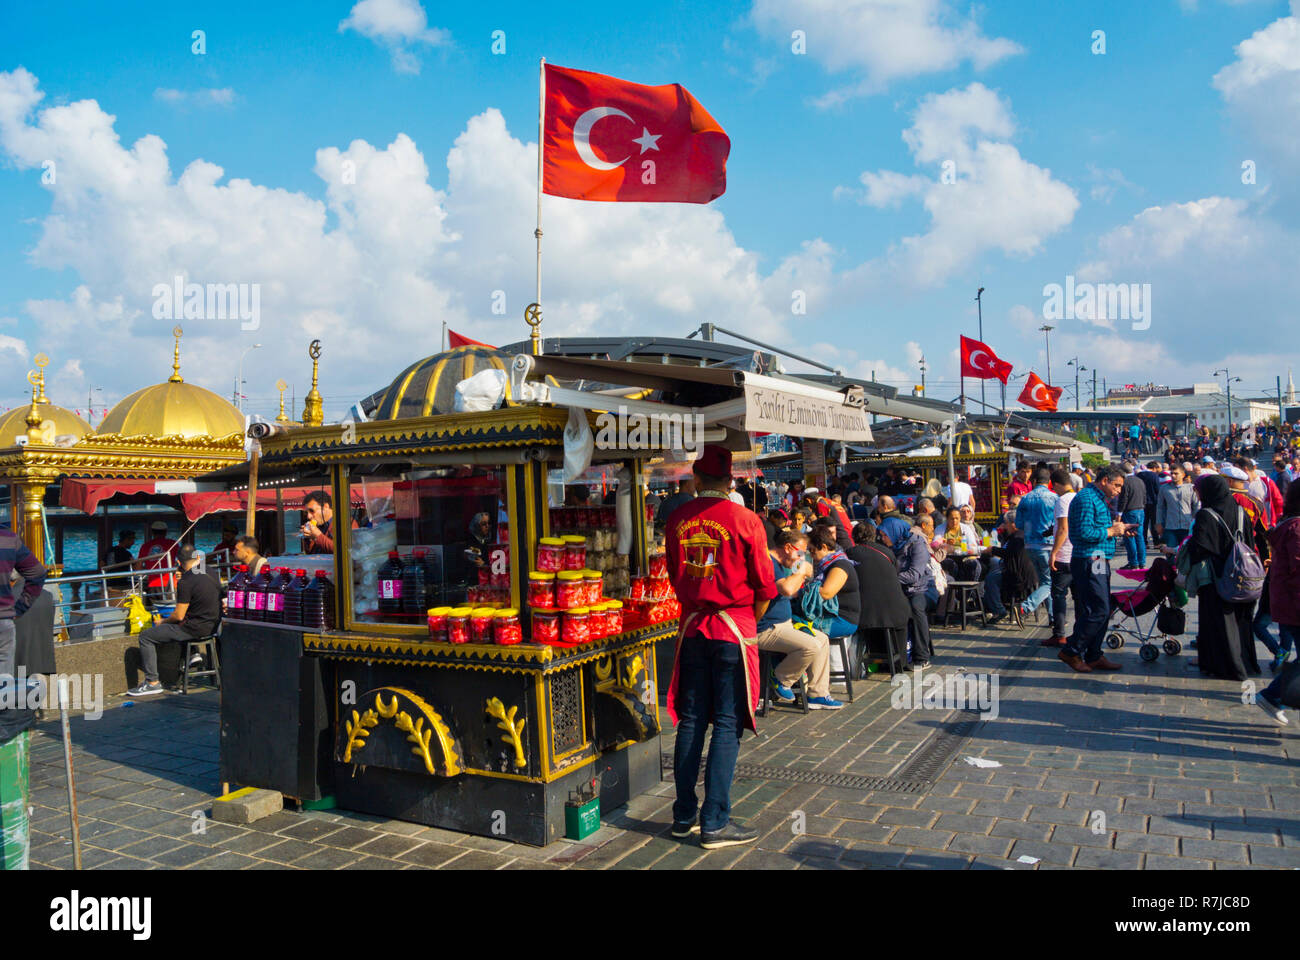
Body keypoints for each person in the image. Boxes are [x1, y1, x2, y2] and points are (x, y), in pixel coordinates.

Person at [664, 444, 776, 849]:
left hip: (693, 628)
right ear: (730, 481)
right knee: (727, 723)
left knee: (691, 720)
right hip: (733, 628)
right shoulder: (746, 520)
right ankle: (714, 822)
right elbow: (765, 584)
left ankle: (682, 815)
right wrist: (749, 618)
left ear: (696, 479)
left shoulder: (677, 519)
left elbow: (677, 577)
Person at [1188, 475, 1266, 682]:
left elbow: (1200, 548)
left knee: (1219, 623)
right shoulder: (1241, 511)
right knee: (1241, 621)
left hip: (1217, 578)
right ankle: (1245, 662)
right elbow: (1250, 541)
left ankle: (1223, 665)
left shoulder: (1206, 514)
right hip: (1241, 575)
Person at [755, 529, 842, 710]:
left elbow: (791, 590)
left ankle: (817, 694)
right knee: (810, 645)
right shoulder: (769, 563)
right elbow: (786, 589)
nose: (801, 558)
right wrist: (801, 572)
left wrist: (800, 577)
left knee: (822, 639)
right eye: (800, 553)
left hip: (784, 625)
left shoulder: (781, 565)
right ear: (788, 548)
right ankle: (780, 678)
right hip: (767, 628)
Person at [1060, 465, 1131, 673]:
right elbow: (1083, 532)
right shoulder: (1085, 499)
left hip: (1099, 557)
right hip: (1088, 558)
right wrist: (1111, 530)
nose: (1118, 490)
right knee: (1098, 609)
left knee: (1104, 607)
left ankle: (1094, 654)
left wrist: (1120, 530)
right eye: (1116, 485)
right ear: (1104, 481)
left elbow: (1097, 528)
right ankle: (1071, 650)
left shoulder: (1099, 498)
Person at [127, 544, 221, 696]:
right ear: (197, 557)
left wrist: (161, 623)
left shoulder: (185, 582)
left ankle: (152, 682)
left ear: (177, 562)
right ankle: (193, 655)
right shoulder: (210, 571)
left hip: (194, 629)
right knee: (178, 626)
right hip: (213, 626)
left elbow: (179, 615)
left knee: (146, 636)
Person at [1254, 483, 1300, 721]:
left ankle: (1274, 696)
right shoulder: (1297, 527)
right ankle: (1274, 696)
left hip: (1287, 602)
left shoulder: (1289, 524)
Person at [847, 521, 911, 670]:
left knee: (875, 621)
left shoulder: (849, 553)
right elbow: (895, 573)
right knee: (898, 623)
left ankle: (876, 661)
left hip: (866, 614)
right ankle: (900, 663)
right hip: (896, 610)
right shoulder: (886, 552)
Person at [0, 525, 47, 683]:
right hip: (3, 620)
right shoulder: (8, 538)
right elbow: (38, 573)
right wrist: (19, 609)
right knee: (3, 684)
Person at [1015, 466, 1059, 622]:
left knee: (1044, 583)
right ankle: (1025, 606)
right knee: (1049, 583)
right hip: (1048, 545)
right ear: (1050, 482)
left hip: (1030, 545)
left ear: (1034, 481)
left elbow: (1018, 523)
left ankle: (1053, 618)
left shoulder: (1025, 498)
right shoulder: (1055, 498)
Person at [897, 515, 936, 667]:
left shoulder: (917, 543)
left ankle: (921, 655)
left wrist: (892, 578)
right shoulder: (894, 545)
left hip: (925, 587)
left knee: (916, 607)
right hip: (903, 588)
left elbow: (915, 574)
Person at [1044, 469, 1075, 647]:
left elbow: (1063, 529)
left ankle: (1059, 634)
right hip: (1078, 555)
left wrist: (1054, 552)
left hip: (1064, 555)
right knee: (1078, 596)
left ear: (1055, 485)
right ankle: (1078, 633)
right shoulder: (1078, 497)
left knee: (1059, 595)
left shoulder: (1062, 500)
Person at [1155, 462, 1198, 548]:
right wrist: (1159, 523)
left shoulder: (1191, 488)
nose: (1173, 476)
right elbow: (1160, 507)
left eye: (1176, 473)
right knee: (1171, 553)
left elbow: (1196, 506)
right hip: (1171, 526)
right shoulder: (1164, 488)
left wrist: (1195, 523)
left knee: (1186, 552)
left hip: (1187, 526)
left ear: (1183, 475)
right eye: (1172, 473)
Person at [1115, 462, 1147, 570]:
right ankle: (1142, 561)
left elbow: (1124, 498)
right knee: (1140, 537)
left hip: (1130, 511)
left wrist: (1119, 512)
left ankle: (1133, 562)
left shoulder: (1125, 482)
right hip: (1140, 509)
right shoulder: (1140, 480)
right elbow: (1144, 496)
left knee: (1129, 537)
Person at [138, 519, 178, 598]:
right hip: (170, 584)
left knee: (154, 608)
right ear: (166, 532)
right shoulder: (173, 544)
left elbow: (138, 567)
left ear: (152, 532)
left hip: (152, 584)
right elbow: (181, 561)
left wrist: (148, 569)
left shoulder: (145, 546)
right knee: (171, 608)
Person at [101, 529, 137, 599]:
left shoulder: (110, 550)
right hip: (120, 584)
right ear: (126, 540)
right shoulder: (126, 554)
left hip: (108, 582)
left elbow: (102, 564)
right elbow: (135, 568)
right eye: (132, 540)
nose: (133, 543)